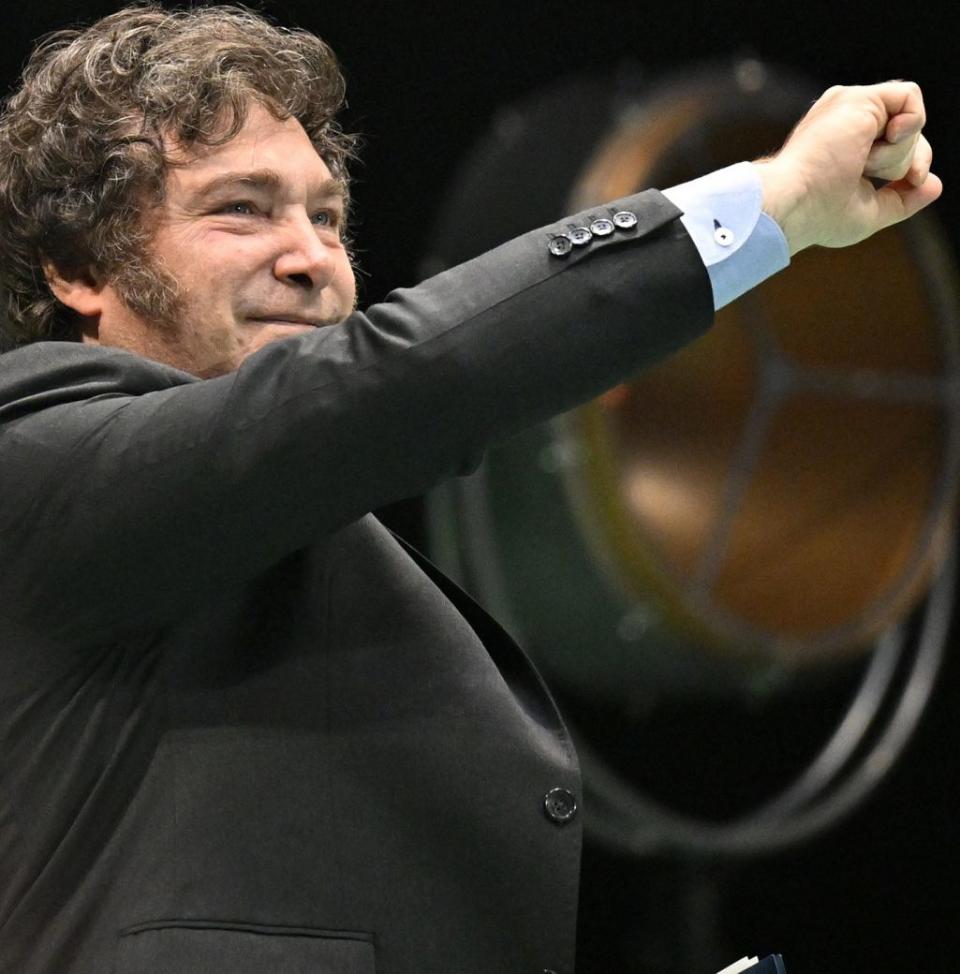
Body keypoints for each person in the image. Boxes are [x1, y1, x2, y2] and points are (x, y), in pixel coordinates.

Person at [0, 6, 939, 974]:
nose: (313, 258)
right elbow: (394, 383)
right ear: (79, 268)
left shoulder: (283, 523)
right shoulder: (32, 457)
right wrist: (774, 204)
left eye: (326, 216)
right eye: (241, 207)